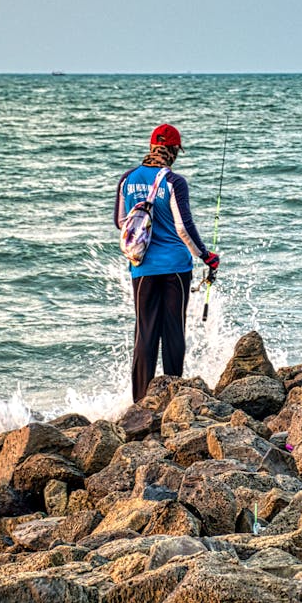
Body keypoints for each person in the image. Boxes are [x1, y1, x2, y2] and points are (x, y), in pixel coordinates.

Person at [115, 123, 219, 402]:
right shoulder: (174, 181)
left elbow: (120, 223)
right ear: (173, 151)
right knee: (173, 329)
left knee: (145, 332)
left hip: (142, 267)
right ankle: (174, 395)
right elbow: (184, 227)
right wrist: (207, 256)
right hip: (176, 268)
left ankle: (140, 402)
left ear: (151, 147)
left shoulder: (127, 179)